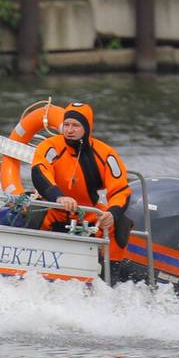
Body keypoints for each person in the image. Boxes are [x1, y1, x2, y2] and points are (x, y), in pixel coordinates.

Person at [30, 101, 132, 259]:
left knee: (120, 224)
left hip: (88, 212)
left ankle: (109, 277)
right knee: (32, 213)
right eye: (67, 124)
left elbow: (120, 190)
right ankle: (27, 266)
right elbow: (40, 172)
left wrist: (112, 213)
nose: (69, 130)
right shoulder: (50, 146)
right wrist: (59, 197)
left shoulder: (105, 154)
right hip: (54, 207)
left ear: (87, 127)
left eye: (76, 125)